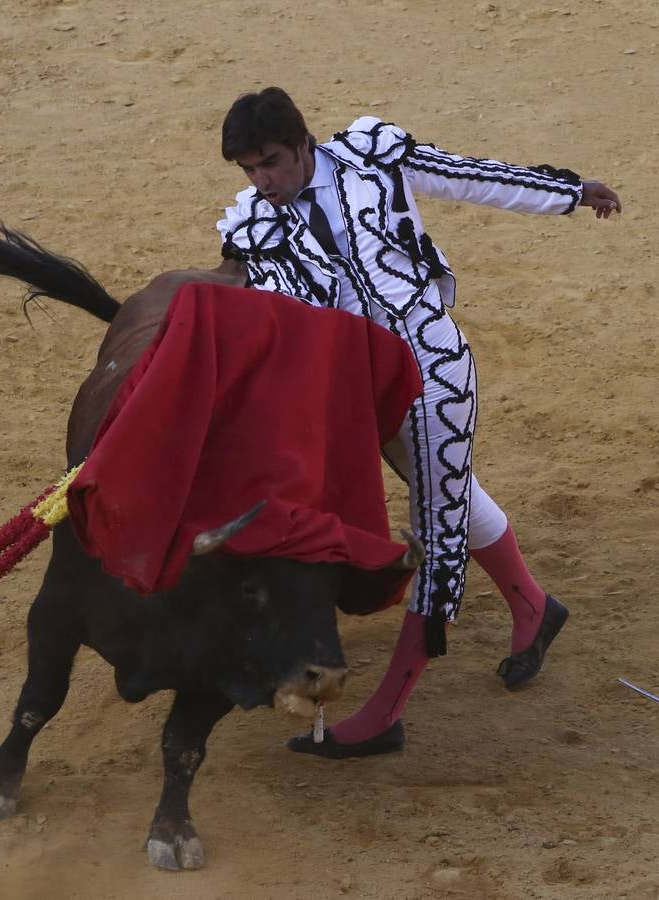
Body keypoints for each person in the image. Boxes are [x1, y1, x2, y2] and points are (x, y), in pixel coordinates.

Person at [216, 87, 621, 758]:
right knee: (451, 494)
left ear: (302, 144)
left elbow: (468, 176)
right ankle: (531, 606)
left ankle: (385, 712)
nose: (263, 182)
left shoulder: (373, 156)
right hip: (355, 393)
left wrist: (569, 191)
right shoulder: (252, 227)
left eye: (272, 163)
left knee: (435, 527)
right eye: (249, 170)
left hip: (430, 366)